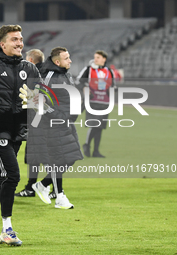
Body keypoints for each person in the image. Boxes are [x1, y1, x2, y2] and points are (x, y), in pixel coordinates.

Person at [0, 25, 42, 246]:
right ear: (2, 44)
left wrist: (33, 103)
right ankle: (7, 228)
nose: (20, 43)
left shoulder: (30, 69)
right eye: (14, 39)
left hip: (17, 130)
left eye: (21, 39)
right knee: (12, 174)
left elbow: (39, 101)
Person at [29, 47, 84, 209]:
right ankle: (60, 197)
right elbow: (36, 101)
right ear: (57, 61)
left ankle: (43, 185)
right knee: (58, 159)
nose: (70, 61)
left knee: (72, 157)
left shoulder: (65, 74)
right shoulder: (48, 76)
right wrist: (56, 115)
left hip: (67, 122)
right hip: (53, 124)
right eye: (67, 58)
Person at [15, 48, 45, 198]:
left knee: (34, 156)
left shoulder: (33, 74)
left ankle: (33, 187)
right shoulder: (47, 73)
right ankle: (53, 189)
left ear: (31, 60)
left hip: (36, 121)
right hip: (46, 120)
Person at [76, 50, 116, 158]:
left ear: (104, 59)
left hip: (104, 102)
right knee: (95, 125)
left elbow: (113, 86)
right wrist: (85, 88)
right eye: (95, 57)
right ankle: (87, 145)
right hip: (92, 101)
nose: (95, 59)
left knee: (100, 127)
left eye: (98, 57)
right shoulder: (88, 69)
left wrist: (113, 90)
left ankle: (96, 151)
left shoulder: (109, 71)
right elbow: (78, 82)